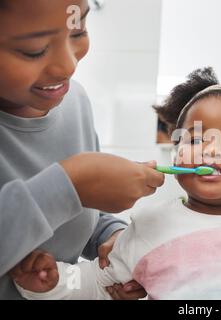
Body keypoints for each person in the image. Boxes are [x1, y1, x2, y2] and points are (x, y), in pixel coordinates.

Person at [14, 66, 221, 300]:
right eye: (196, 139)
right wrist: (50, 282)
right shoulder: (149, 226)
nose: (210, 150)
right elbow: (96, 282)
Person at [0, 0, 164, 299]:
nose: (69, 66)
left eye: (78, 31)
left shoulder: (74, 100)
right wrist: (71, 184)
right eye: (34, 50)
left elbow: (81, 216)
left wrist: (111, 236)